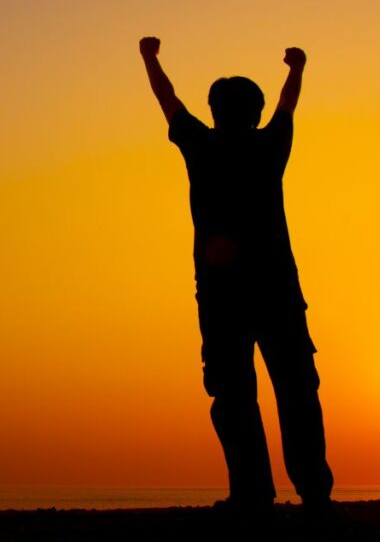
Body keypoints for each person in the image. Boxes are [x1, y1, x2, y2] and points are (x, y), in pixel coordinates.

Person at [139, 36, 334, 515]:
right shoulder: (270, 144)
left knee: (236, 395)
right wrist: (296, 68)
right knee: (292, 391)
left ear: (214, 109)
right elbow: (289, 104)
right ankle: (309, 493)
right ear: (256, 110)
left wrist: (149, 60)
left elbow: (167, 101)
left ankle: (254, 493)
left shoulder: (202, 143)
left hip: (225, 294)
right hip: (276, 291)